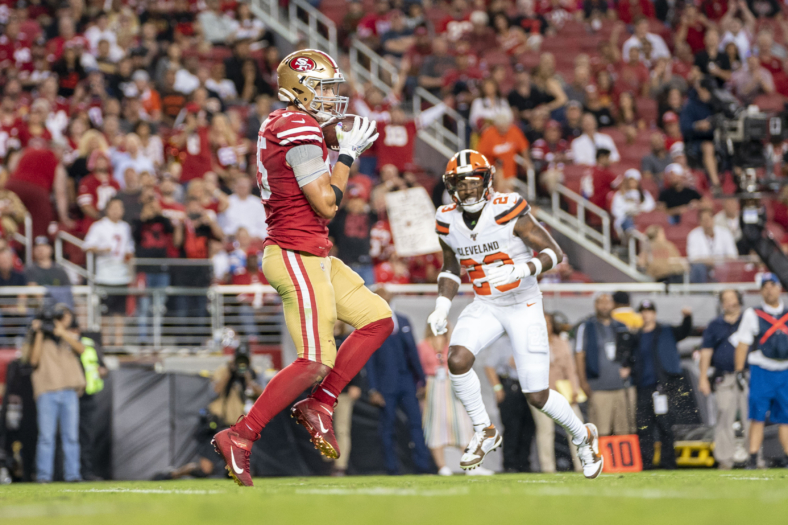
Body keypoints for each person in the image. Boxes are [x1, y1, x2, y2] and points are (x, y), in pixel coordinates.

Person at [212, 50, 394, 487]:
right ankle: (240, 434)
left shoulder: (288, 122)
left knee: (378, 319)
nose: (332, 97)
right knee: (314, 359)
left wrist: (334, 142)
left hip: (312, 252)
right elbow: (327, 204)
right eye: (324, 89)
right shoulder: (295, 125)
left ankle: (320, 403)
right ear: (300, 89)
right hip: (294, 253)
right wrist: (346, 156)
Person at [427, 149, 603, 478]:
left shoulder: (507, 208)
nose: (467, 190)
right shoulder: (446, 219)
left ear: (487, 181)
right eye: (460, 184)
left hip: (523, 304)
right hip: (486, 303)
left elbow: (554, 252)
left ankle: (583, 436)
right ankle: (485, 430)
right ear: (451, 187)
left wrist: (523, 269)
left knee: (536, 395)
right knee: (457, 360)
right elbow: (450, 268)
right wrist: (442, 305)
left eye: (473, 182)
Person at [365, 288, 431, 475]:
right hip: (385, 384)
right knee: (388, 427)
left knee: (416, 423)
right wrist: (373, 389)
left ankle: (423, 466)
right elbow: (369, 360)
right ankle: (391, 468)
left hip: (407, 380)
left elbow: (413, 353)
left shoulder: (403, 321)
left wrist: (422, 380)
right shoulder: (370, 325)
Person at [23, 304, 86, 482]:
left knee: (71, 437)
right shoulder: (41, 338)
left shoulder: (68, 336)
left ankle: (73, 475)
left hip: (69, 391)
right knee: (46, 437)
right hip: (47, 391)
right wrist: (39, 332)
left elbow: (81, 349)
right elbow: (33, 361)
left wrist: (62, 333)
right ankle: (44, 476)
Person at [627, 300, 693, 470]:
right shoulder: (637, 336)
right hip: (643, 387)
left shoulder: (666, 331)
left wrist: (687, 318)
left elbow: (684, 331)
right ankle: (646, 463)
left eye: (649, 311)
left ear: (654, 314)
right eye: (643, 311)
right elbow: (630, 358)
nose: (646, 315)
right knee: (644, 427)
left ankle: (668, 463)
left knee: (666, 427)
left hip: (663, 387)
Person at [732, 273, 788, 470]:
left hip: (785, 370)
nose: (769, 290)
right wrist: (739, 370)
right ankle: (753, 458)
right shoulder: (752, 314)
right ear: (761, 290)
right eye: (765, 286)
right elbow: (743, 343)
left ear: (779, 288)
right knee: (757, 416)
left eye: (772, 285)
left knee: (786, 417)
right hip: (761, 370)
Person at [419, 320, 477, 476]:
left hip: (452, 385)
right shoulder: (423, 346)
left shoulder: (453, 345)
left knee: (462, 424)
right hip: (433, 387)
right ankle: (442, 466)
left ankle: (471, 464)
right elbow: (419, 368)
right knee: (435, 425)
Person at [699, 289, 748, 469]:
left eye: (732, 298)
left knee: (752, 416)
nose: (729, 303)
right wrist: (703, 377)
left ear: (739, 300)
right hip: (724, 376)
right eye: (725, 299)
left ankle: (754, 457)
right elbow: (706, 352)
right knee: (724, 415)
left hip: (748, 375)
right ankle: (725, 460)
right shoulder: (714, 325)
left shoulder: (749, 319)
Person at [530, 312, 583, 473]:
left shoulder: (562, 342)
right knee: (546, 431)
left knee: (576, 427)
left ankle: (582, 465)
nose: (545, 326)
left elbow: (570, 369)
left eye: (548, 323)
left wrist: (574, 389)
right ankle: (548, 468)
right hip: (541, 393)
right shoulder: (530, 345)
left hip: (562, 391)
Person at [575, 293, 634, 436]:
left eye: (608, 302)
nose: (604, 306)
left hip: (622, 387)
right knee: (600, 432)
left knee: (624, 431)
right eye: (601, 302)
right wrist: (583, 382)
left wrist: (629, 368)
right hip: (598, 387)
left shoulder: (621, 326)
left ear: (613, 305)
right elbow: (579, 355)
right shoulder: (587, 327)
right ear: (595, 305)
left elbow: (631, 352)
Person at [83, 198, 134, 348]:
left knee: (119, 312)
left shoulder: (125, 227)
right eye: (113, 207)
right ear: (107, 209)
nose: (116, 211)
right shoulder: (99, 226)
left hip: (121, 276)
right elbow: (87, 245)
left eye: (119, 207)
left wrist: (128, 259)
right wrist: (101, 249)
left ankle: (118, 344)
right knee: (105, 312)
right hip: (104, 275)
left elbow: (129, 248)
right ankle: (104, 343)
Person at [484, 336, 536, 473]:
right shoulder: (502, 343)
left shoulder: (531, 342)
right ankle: (510, 464)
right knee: (512, 428)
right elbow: (489, 366)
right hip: (510, 386)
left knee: (528, 428)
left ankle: (524, 464)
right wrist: (497, 388)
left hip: (529, 388)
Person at [679, 77, 721, 190]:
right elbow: (684, 127)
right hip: (695, 142)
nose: (709, 94)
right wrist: (697, 126)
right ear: (701, 90)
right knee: (708, 147)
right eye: (707, 91)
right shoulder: (690, 105)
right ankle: (716, 184)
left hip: (718, 139)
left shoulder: (717, 104)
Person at [686, 208, 738, 283]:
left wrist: (716, 262)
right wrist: (711, 261)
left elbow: (733, 256)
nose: (707, 222)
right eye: (704, 220)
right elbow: (693, 259)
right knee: (698, 268)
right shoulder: (693, 235)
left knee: (727, 268)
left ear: (713, 219)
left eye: (709, 219)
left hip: (722, 268)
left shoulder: (725, 233)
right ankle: (702, 290)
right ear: (700, 222)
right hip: (703, 269)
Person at [610, 169, 656, 237]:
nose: (632, 182)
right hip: (626, 218)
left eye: (634, 180)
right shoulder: (619, 194)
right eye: (630, 180)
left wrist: (639, 210)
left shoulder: (644, 194)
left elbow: (651, 206)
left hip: (642, 217)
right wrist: (629, 210)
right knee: (629, 224)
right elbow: (615, 210)